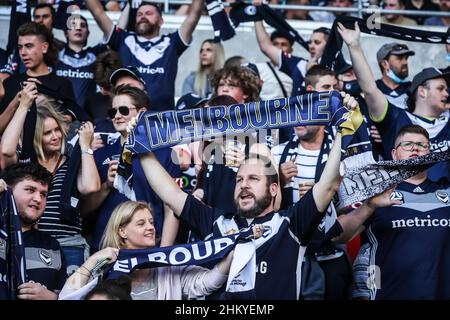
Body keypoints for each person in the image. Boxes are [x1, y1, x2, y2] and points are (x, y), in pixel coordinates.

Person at [134, 91, 359, 299]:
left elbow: (329, 184)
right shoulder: (218, 222)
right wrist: (140, 144)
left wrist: (345, 125)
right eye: (239, 179)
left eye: (253, 179)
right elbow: (170, 193)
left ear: (274, 189)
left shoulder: (291, 223)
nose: (244, 185)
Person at [59, 201, 265, 300]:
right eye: (141, 223)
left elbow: (205, 283)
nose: (150, 227)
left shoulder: (167, 265)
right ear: (122, 231)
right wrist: (93, 259)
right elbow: (67, 297)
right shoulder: (103, 268)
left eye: (151, 222)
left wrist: (231, 251)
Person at [335, 124, 450, 299]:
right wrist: (370, 206)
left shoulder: (446, 190)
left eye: (422, 145)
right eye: (407, 144)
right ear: (394, 154)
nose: (415, 148)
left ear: (430, 154)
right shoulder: (376, 193)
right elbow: (338, 235)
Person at [271, 65, 352, 300]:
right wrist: (281, 181)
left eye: (306, 113)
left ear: (322, 116)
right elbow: (263, 208)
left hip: (330, 256)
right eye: (296, 113)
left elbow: (351, 206)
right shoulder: (276, 153)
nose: (299, 119)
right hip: (287, 256)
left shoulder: (339, 153)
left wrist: (326, 195)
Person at [0, 93, 100, 274]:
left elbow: (90, 186)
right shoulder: (27, 162)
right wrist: (23, 106)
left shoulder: (72, 162)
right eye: (47, 132)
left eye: (57, 130)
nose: (55, 136)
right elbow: (6, 151)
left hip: (69, 243)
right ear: (36, 136)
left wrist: (86, 147)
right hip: (30, 241)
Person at [338, 21, 450, 182]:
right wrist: (354, 46)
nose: (446, 93)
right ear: (422, 91)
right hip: (401, 200)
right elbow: (370, 89)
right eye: (440, 88)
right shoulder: (396, 119)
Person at [82, 85, 181, 252]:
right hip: (106, 248)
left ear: (142, 113)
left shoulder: (166, 154)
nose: (117, 116)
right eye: (113, 112)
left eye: (124, 110)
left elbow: (172, 207)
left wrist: (164, 253)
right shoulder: (100, 155)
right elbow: (85, 210)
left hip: (149, 248)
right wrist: (106, 186)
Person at [85, 0, 205, 110]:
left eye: (148, 13)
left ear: (161, 21)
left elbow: (193, 15)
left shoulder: (172, 42)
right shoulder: (122, 39)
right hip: (129, 117)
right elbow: (98, 13)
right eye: (139, 14)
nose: (143, 16)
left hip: (163, 119)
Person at [1, 163, 67, 300]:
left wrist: (51, 297)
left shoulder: (52, 246)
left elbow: (66, 295)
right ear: (8, 190)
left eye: (43, 194)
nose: (38, 199)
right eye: (30, 190)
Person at [0, 22, 78, 134]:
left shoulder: (62, 84)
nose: (23, 52)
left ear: (44, 47)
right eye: (20, 47)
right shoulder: (9, 83)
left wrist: (45, 102)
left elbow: (67, 126)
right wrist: (16, 103)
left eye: (29, 46)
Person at [254, 17, 330, 96]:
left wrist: (312, 72)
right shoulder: (300, 64)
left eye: (317, 42)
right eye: (310, 42)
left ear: (329, 46)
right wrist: (257, 15)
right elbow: (266, 47)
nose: (311, 46)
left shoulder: (339, 68)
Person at [54, 15, 108, 109]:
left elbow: (112, 31)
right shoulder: (54, 55)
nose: (78, 28)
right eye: (73, 25)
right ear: (66, 33)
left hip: (87, 118)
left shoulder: (96, 54)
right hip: (58, 116)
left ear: (88, 33)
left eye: (82, 25)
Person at [255, 30, 293, 101]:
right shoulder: (259, 68)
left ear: (291, 50)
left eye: (284, 44)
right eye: (275, 44)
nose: (279, 47)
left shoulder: (297, 70)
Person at [375, 42, 415, 109]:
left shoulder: (414, 89)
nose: (405, 62)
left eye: (406, 58)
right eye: (399, 58)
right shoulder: (372, 89)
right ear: (385, 64)